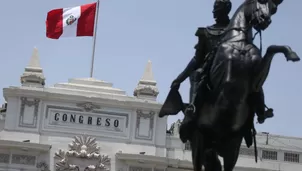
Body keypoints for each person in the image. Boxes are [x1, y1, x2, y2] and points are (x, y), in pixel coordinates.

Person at [168, 0, 273, 143]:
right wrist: (180, 78)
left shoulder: (240, 29)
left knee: (254, 79)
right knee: (196, 74)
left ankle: (259, 113)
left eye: (217, 8)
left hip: (235, 67)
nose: (214, 12)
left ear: (226, 10)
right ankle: (192, 109)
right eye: (214, 8)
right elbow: (196, 60)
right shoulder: (205, 32)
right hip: (209, 69)